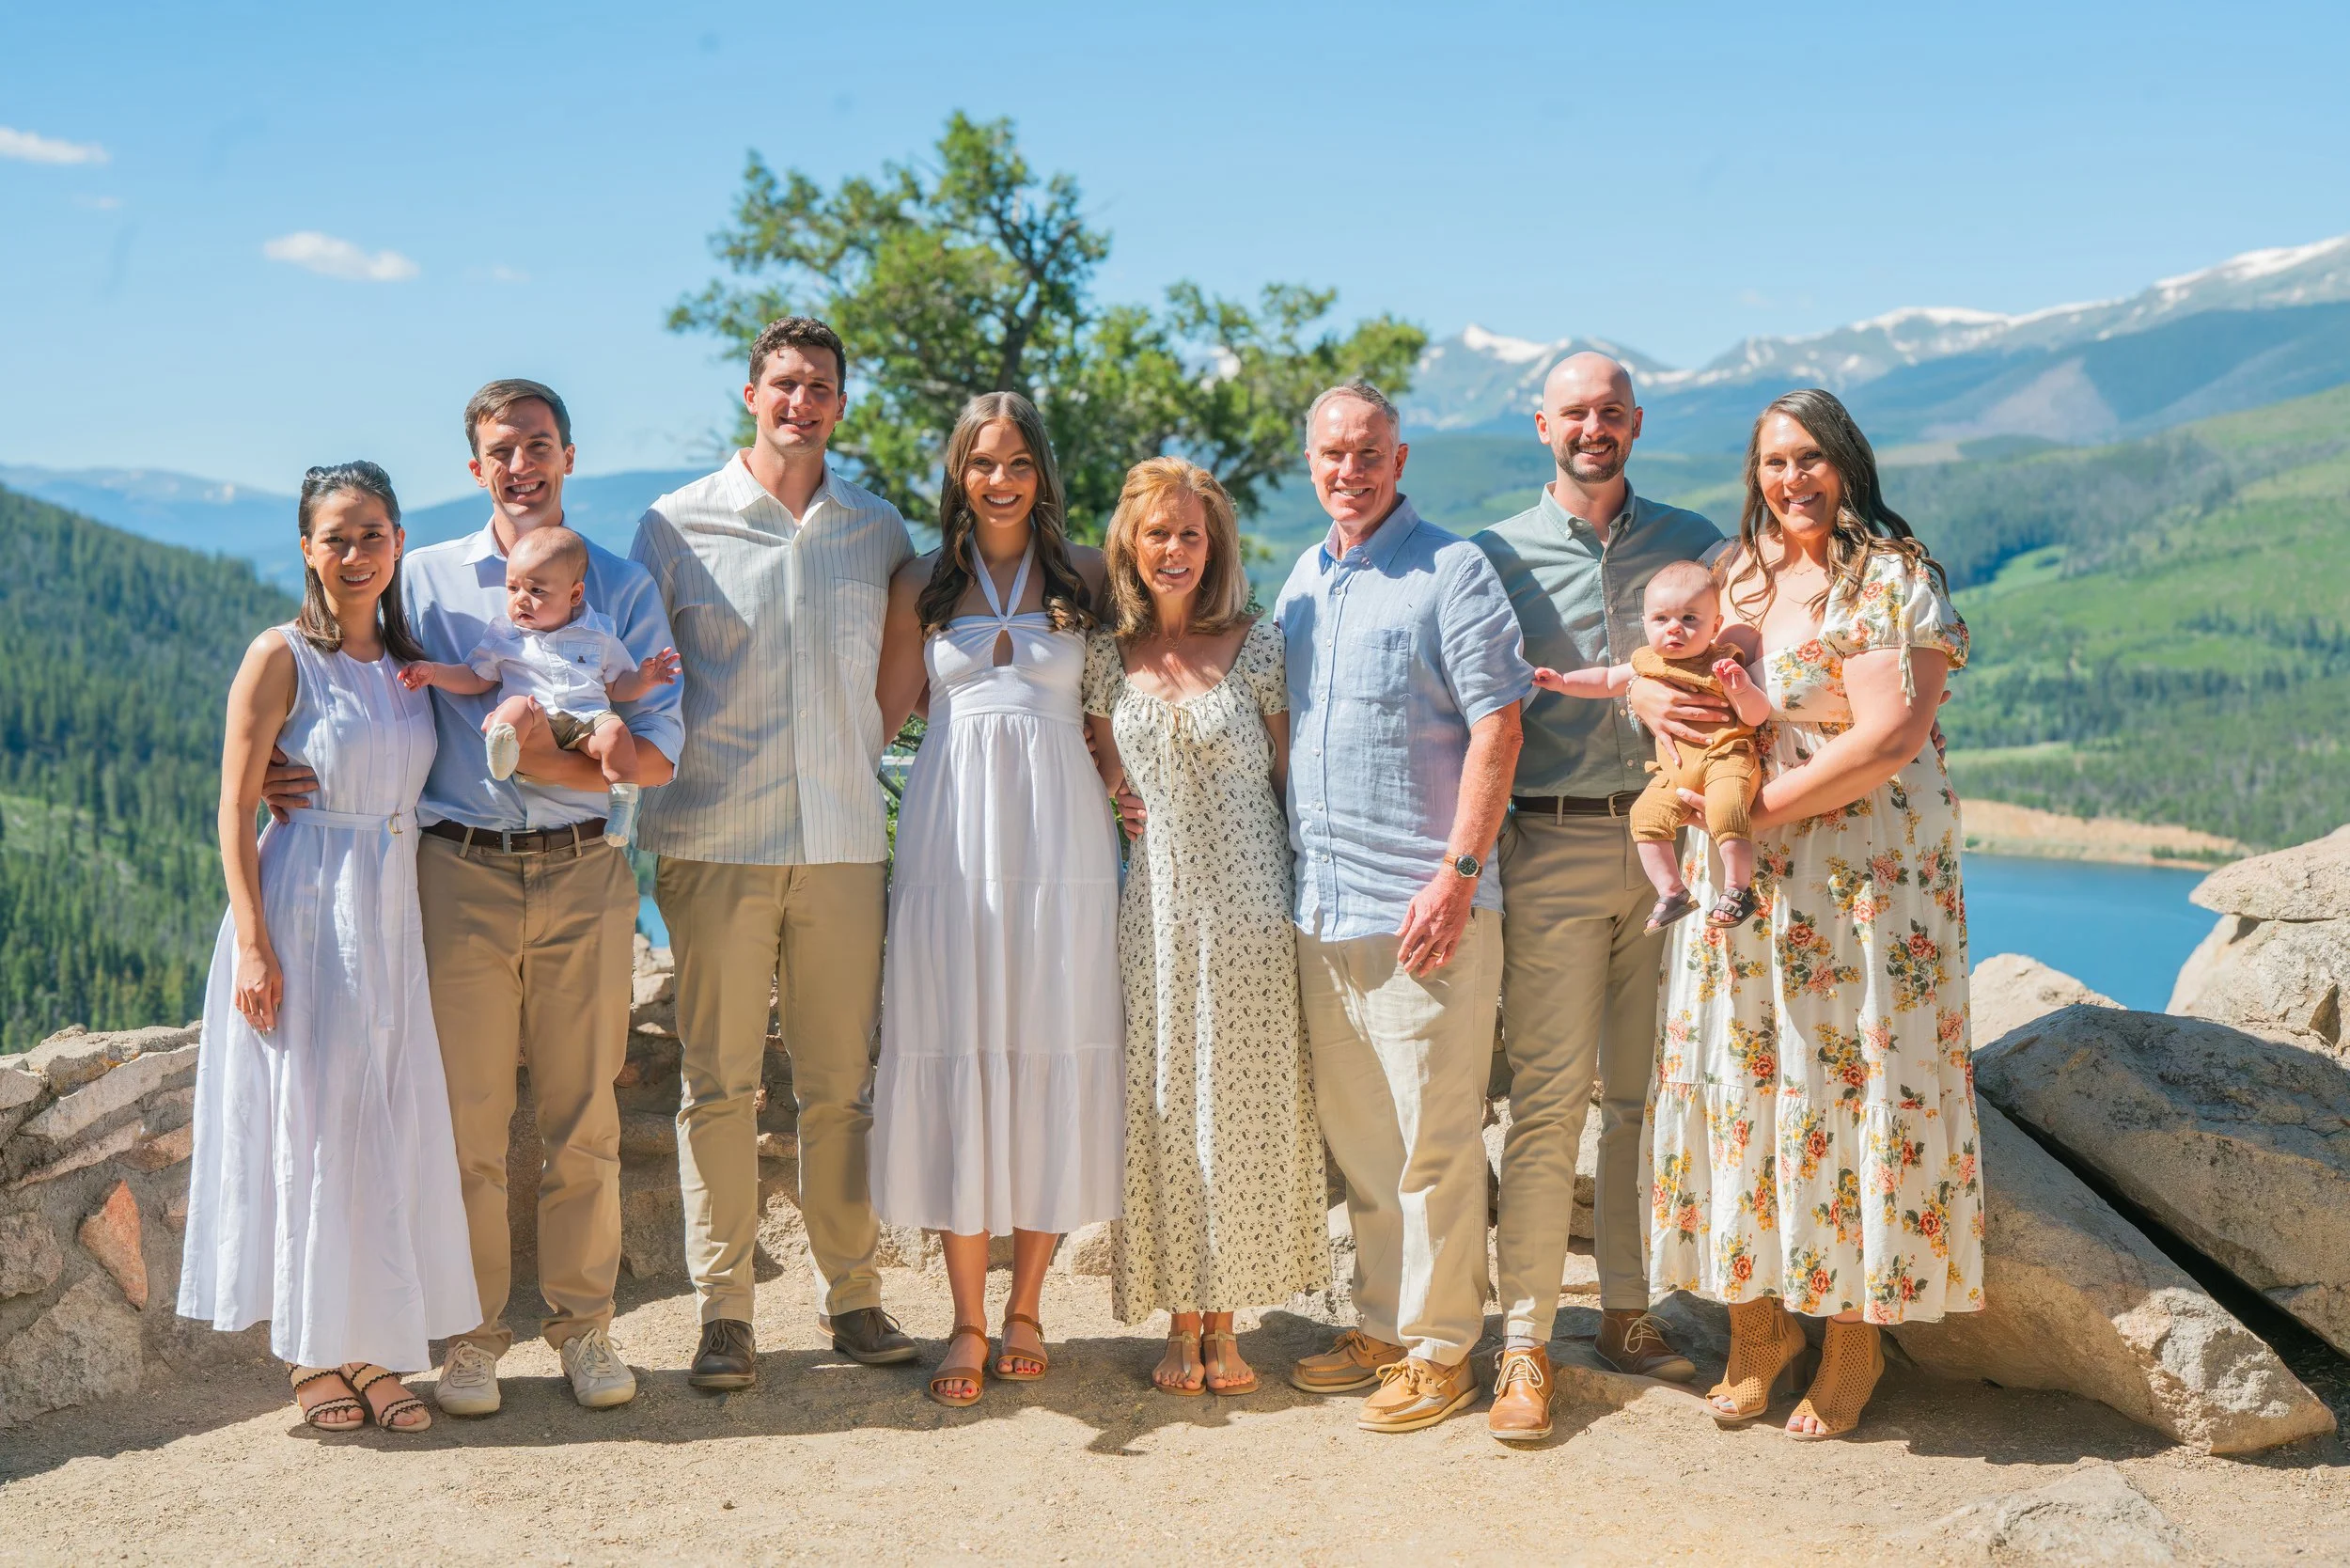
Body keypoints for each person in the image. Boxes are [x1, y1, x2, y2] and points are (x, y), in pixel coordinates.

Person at [258, 380, 683, 1417]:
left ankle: (584, 1328)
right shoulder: (430, 581)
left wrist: (545, 759)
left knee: (586, 1112)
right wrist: (280, 757)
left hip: (586, 868)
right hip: (456, 872)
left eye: (539, 445)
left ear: (569, 457)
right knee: (464, 1123)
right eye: (502, 448)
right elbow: (350, 671)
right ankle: (472, 1336)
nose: (521, 464)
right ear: (474, 466)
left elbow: (656, 759)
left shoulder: (619, 585)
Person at [1649, 387, 1984, 1441]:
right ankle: (1758, 1329)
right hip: (1745, 870)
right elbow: (1670, 670)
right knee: (1737, 1075)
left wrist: (1751, 808)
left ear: (1845, 463)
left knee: (1853, 1081)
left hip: (1862, 876)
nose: (1791, 480)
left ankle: (1852, 1337)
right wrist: (1647, 704)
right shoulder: (1730, 575)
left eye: (1809, 459)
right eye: (1772, 462)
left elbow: (1890, 736)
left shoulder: (1894, 576)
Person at [630, 316, 919, 1389]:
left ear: (841, 404)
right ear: (750, 394)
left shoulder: (877, 532)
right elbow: (635, 676)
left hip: (844, 841)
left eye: (822, 387)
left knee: (841, 1085)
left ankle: (853, 1299)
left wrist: (856, 748)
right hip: (714, 841)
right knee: (718, 1086)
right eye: (785, 383)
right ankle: (724, 1312)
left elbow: (901, 676)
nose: (802, 401)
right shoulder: (675, 527)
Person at [179, 462, 478, 1434]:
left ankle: (373, 1346)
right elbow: (230, 805)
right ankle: (313, 1354)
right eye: (337, 537)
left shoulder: (407, 660)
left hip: (388, 907)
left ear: (400, 542)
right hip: (305, 899)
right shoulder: (280, 656)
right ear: (306, 548)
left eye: (375, 534)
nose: (357, 554)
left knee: (381, 1119)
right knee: (313, 1121)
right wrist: (257, 944)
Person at [1471, 352, 1720, 1442]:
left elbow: (1762, 636)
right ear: (1541, 426)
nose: (1593, 428)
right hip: (1553, 845)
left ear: (1635, 423)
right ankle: (1524, 1342)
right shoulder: (1492, 556)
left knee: (1642, 1101)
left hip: (1672, 850)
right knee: (1546, 1103)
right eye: (1575, 413)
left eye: (1610, 412)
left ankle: (1624, 1311)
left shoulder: (1696, 541)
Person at [1277, 380, 1530, 1435]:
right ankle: (1381, 1324)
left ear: (1401, 455)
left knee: (1435, 1141)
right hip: (1323, 906)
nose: (1349, 469)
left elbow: (1499, 725)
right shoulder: (1301, 576)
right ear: (1310, 461)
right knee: (1365, 1142)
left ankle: (1442, 1349)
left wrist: (1458, 874)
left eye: (1367, 451)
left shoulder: (1452, 569)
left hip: (1428, 908)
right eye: (1331, 453)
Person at [870, 391, 1121, 1407]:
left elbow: (1114, 715)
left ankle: (1029, 1306)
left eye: (1017, 462)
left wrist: (1135, 792)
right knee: (957, 1042)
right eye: (982, 463)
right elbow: (883, 716)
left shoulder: (1091, 578)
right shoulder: (919, 581)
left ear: (1040, 471)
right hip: (950, 839)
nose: (1001, 480)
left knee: (1050, 1040)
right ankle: (968, 1321)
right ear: (958, 474)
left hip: (1063, 837)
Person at [1081, 458, 1327, 1398]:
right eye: (1158, 534)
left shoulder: (1257, 645)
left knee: (1246, 1108)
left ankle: (1226, 1324)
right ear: (1130, 546)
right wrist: (1112, 789)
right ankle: (1180, 1319)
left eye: (1191, 534)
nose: (1176, 550)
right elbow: (1099, 759)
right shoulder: (1107, 656)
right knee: (1166, 1106)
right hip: (1154, 909)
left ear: (1212, 544)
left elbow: (1285, 779)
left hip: (1253, 906)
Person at [397, 525, 680, 848]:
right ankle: (503, 754)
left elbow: (618, 686)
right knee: (513, 708)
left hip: (585, 720)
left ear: (574, 594)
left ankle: (620, 808)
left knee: (616, 735)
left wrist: (644, 679)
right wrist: (434, 673)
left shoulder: (598, 634)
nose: (521, 600)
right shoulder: (504, 637)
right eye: (513, 588)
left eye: (536, 591)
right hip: (534, 716)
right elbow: (475, 678)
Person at [1528, 560, 1771, 931]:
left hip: (1725, 757)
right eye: (1662, 619)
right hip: (1674, 770)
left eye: (1691, 619)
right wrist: (1563, 682)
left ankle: (1738, 888)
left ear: (1715, 626)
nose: (1675, 628)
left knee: (1726, 810)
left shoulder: (1720, 662)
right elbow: (1607, 679)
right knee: (1645, 817)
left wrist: (1739, 687)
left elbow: (1755, 716)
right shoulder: (1648, 662)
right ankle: (1672, 892)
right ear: (1645, 623)